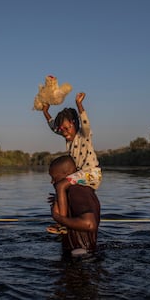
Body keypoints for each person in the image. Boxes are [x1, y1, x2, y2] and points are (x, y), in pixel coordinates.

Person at [42, 92, 102, 234]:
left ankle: (62, 223)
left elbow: (85, 124)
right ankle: (61, 222)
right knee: (59, 191)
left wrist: (79, 105)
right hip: (80, 175)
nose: (64, 132)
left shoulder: (84, 135)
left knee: (61, 185)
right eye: (62, 130)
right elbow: (54, 127)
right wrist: (45, 111)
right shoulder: (68, 138)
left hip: (91, 173)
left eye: (67, 128)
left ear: (74, 123)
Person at [48, 155, 101, 257]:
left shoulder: (77, 191)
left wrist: (57, 217)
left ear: (68, 175)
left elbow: (89, 224)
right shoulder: (71, 192)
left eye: (54, 177)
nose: (52, 181)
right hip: (80, 254)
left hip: (81, 258)